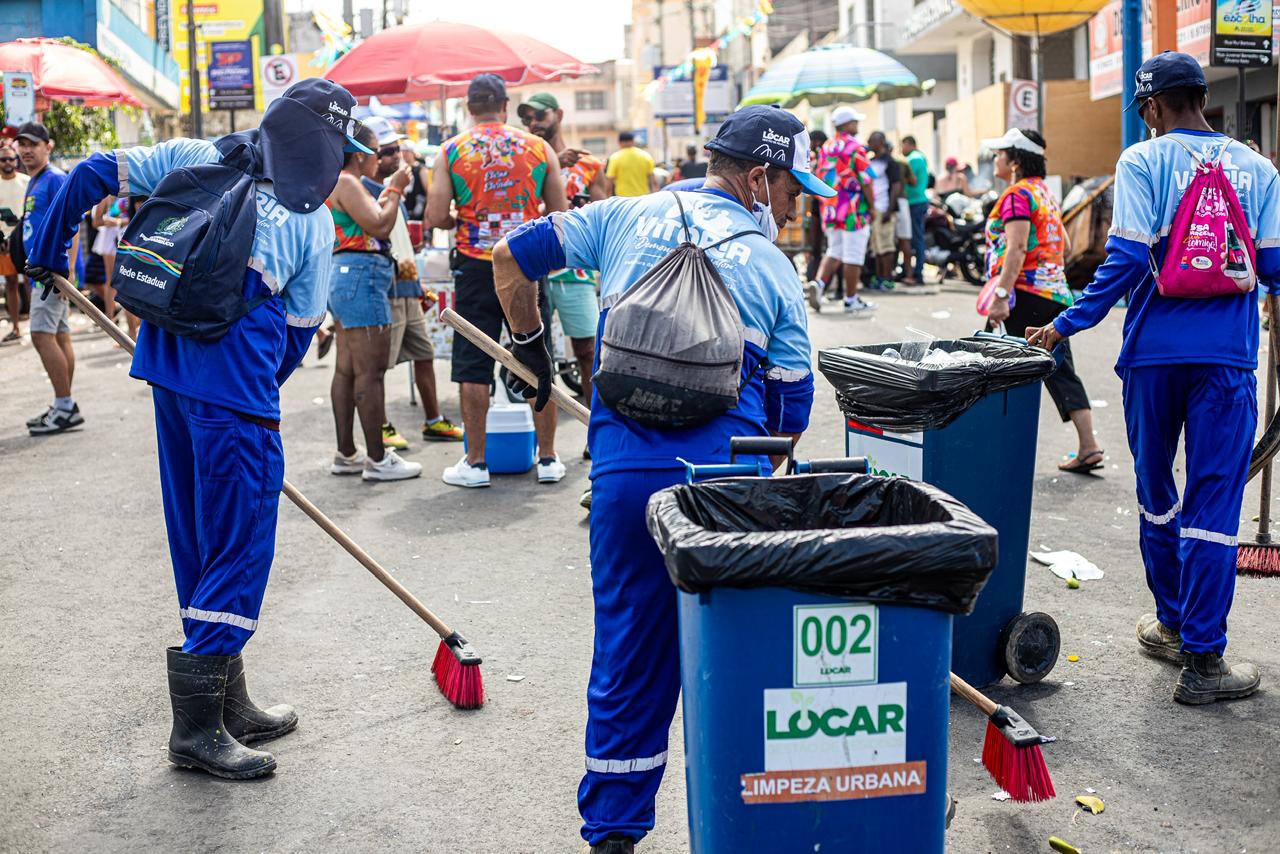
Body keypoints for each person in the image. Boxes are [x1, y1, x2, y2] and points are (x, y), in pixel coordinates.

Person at [494, 104, 828, 853]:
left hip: (623, 481)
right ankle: (752, 822)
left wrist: (530, 351)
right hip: (725, 489)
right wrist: (759, 472)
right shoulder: (771, 267)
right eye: (789, 189)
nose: (793, 205)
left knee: (628, 656)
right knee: (741, 659)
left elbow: (509, 257)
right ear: (755, 179)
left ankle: (613, 834)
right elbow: (793, 407)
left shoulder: (619, 216)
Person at [25, 78, 371, 778]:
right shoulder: (312, 218)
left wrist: (48, 248)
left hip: (168, 368)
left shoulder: (200, 153)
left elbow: (94, 172)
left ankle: (227, 702)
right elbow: (299, 333)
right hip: (235, 387)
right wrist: (250, 405)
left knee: (200, 535)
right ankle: (196, 731)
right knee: (240, 542)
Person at [1026, 52, 1280, 704]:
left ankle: (1172, 621)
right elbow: (1276, 267)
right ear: (1200, 97)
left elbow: (1129, 257)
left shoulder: (1143, 160)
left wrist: (1066, 324)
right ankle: (1202, 658)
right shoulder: (1257, 169)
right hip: (1225, 363)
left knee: (1156, 491)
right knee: (1215, 506)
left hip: (1151, 360)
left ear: (1152, 106)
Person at [427, 73, 568, 488]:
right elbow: (558, 211)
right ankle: (548, 459)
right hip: (525, 264)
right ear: (505, 106)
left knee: (473, 366)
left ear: (469, 108)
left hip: (474, 265)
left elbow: (435, 218)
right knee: (535, 357)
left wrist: (466, 218)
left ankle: (475, 463)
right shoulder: (538, 148)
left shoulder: (451, 151)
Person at [981, 127, 1101, 473]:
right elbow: (1061, 241)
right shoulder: (1044, 193)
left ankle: (997, 448)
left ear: (1015, 161)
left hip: (1024, 296)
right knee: (1060, 369)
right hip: (1054, 294)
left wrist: (1002, 295)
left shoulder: (1017, 195)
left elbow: (1017, 248)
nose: (995, 160)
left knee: (995, 368)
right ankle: (1089, 445)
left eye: (999, 154)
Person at [325, 122, 423, 481]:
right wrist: (396, 188)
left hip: (348, 275)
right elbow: (380, 226)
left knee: (348, 369)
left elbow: (369, 220)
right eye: (376, 150)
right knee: (371, 372)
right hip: (362, 276)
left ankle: (347, 453)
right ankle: (378, 460)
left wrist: (388, 193)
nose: (379, 157)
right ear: (361, 153)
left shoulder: (340, 183)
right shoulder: (348, 181)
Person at [362, 116, 463, 447]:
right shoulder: (364, 190)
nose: (396, 157)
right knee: (377, 365)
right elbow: (374, 231)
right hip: (383, 288)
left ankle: (433, 420)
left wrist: (416, 284)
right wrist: (396, 189)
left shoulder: (392, 189)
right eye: (387, 151)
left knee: (424, 352)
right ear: (368, 154)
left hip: (405, 284)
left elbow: (399, 242)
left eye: (397, 149)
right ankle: (380, 427)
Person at [518, 91, 608, 405]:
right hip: (532, 270)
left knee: (588, 352)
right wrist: (553, 162)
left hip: (575, 271)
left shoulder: (588, 165)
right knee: (533, 357)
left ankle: (594, 428)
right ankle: (544, 444)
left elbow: (604, 217)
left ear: (558, 114)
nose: (533, 123)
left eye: (539, 116)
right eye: (527, 118)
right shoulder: (523, 162)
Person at [18, 122, 80, 435]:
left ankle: (65, 405)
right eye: (22, 144)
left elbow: (74, 224)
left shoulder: (55, 178)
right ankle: (63, 405)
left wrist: (66, 273)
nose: (26, 150)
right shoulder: (36, 180)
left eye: (33, 144)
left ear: (48, 146)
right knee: (59, 336)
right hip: (42, 273)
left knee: (42, 335)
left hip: (51, 274)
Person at [807, 106, 876, 316]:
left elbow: (819, 176)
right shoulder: (855, 147)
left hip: (830, 208)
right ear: (847, 124)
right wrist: (872, 206)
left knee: (834, 250)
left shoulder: (827, 147)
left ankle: (818, 284)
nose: (858, 125)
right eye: (855, 121)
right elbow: (866, 180)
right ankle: (851, 299)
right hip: (853, 209)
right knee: (853, 254)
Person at [0, 139, 29, 343]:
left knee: (30, 280)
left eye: (11, 158)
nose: (7, 162)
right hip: (4, 242)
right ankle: (16, 327)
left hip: (26, 238)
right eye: (3, 159)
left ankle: (36, 324)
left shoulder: (27, 181)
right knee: (10, 283)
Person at [866, 131, 901, 290]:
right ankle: (879, 277)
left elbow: (896, 186)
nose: (868, 143)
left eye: (872, 140)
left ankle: (888, 278)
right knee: (876, 247)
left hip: (885, 208)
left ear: (880, 142)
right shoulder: (872, 161)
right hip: (874, 210)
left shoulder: (890, 162)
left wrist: (889, 209)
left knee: (886, 246)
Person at [901, 135, 930, 284]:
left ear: (909, 144)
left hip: (915, 202)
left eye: (903, 145)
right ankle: (916, 271)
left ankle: (918, 272)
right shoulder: (921, 157)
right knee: (917, 238)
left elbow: (909, 181)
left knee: (917, 239)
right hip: (919, 200)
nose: (901, 149)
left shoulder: (913, 159)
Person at [606, 131, 657, 197]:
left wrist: (608, 199)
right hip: (643, 198)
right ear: (633, 141)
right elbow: (653, 182)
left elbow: (609, 183)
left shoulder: (615, 158)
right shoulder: (646, 156)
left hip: (623, 199)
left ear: (619, 143)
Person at [399, 140, 430, 222]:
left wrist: (427, 217)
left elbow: (429, 192)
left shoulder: (421, 169)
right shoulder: (402, 169)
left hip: (420, 215)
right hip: (406, 213)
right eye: (403, 151)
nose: (404, 154)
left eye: (407, 151)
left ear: (413, 152)